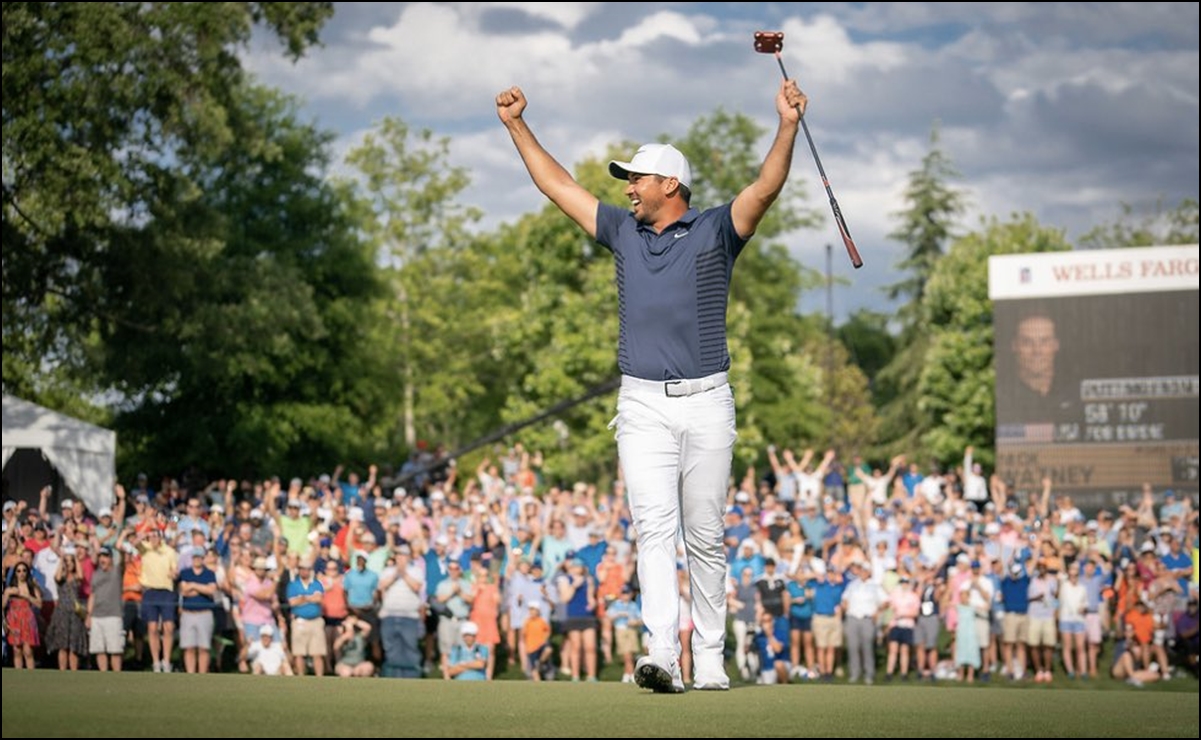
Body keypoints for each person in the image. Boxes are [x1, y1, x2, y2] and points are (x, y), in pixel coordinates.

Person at [496, 73, 808, 695]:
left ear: (671, 185)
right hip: (640, 403)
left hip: (708, 401)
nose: (628, 188)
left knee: (707, 535)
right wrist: (515, 126)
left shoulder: (717, 229)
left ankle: (711, 656)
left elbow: (766, 188)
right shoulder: (622, 232)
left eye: (636, 178)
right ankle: (663, 652)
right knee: (654, 529)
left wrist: (787, 125)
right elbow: (557, 186)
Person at [999, 311, 1075, 424]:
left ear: (1056, 345)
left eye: (1044, 342)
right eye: (1027, 342)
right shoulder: (1002, 398)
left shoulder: (1074, 392)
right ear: (1015, 346)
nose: (1037, 351)